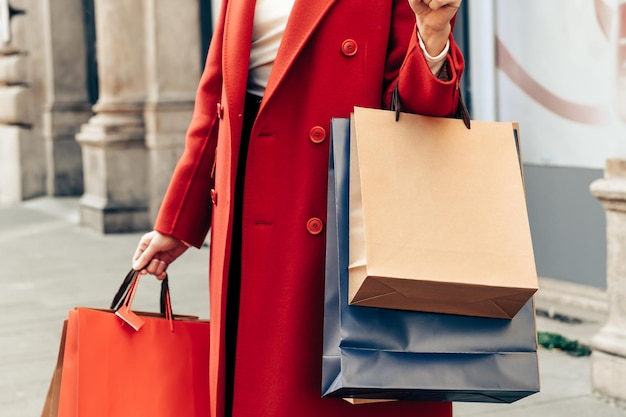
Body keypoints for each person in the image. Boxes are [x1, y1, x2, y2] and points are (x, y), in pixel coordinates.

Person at [132, 0, 465, 416]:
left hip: (336, 215)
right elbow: (217, 101)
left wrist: (432, 36)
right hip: (248, 219)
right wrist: (179, 221)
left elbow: (419, 116)